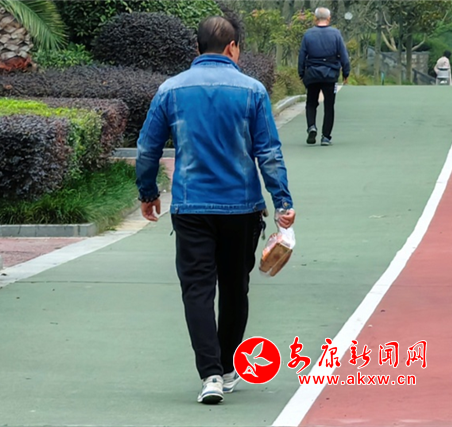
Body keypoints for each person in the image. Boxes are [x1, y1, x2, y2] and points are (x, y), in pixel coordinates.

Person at [135, 16, 296, 404]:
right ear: (232, 47)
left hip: (191, 206)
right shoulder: (252, 90)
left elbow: (147, 148)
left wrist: (148, 192)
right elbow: (268, 152)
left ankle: (208, 374)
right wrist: (283, 202)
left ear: (197, 48)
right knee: (235, 288)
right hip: (241, 208)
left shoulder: (171, 90)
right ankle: (225, 368)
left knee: (197, 289)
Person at [298, 7, 350, 146]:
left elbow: (302, 55)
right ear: (329, 18)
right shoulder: (336, 34)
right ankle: (326, 137)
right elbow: (344, 55)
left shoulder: (308, 34)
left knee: (311, 103)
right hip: (330, 75)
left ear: (315, 18)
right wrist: (346, 72)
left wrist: (301, 73)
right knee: (329, 105)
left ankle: (311, 126)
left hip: (312, 74)